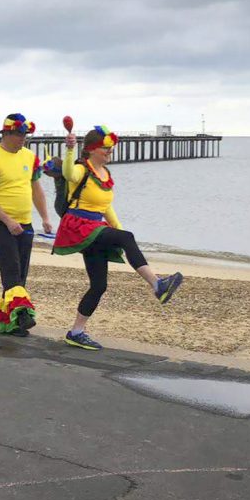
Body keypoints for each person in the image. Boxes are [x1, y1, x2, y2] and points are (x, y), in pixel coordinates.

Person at [53, 125, 184, 350]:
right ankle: (157, 285)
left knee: (99, 286)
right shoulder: (81, 169)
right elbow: (67, 174)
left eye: (111, 149)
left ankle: (76, 332)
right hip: (79, 225)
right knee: (127, 237)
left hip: (96, 226)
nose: (110, 152)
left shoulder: (105, 174)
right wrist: (69, 149)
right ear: (92, 149)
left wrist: (119, 232)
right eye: (105, 148)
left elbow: (106, 207)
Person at [0, 113, 53, 336]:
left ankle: (7, 321)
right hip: (0, 223)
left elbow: (36, 190)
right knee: (11, 271)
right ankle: (22, 317)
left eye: (25, 134)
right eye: (19, 134)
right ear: (7, 133)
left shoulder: (29, 156)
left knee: (21, 273)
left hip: (25, 223)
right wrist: (8, 221)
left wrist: (45, 218)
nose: (23, 138)